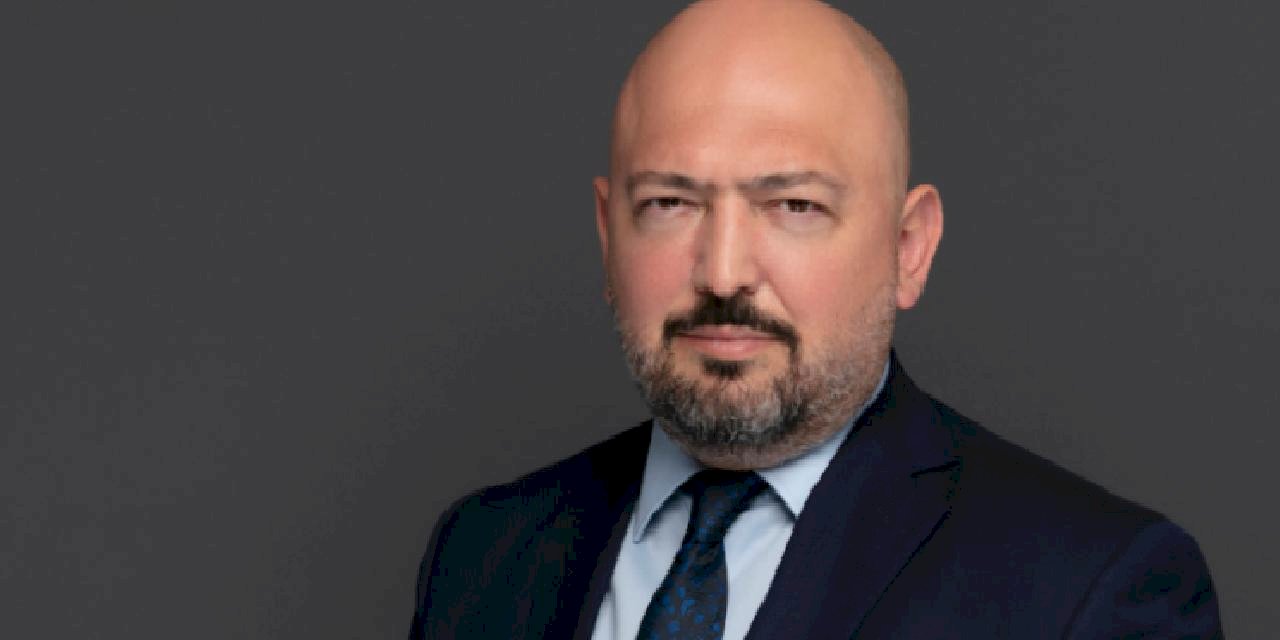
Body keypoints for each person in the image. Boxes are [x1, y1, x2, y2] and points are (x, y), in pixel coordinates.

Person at [408, 1, 1222, 638]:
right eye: (669, 203)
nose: (723, 271)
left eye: (793, 205)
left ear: (908, 247)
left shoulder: (1090, 589)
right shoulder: (482, 556)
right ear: (607, 234)